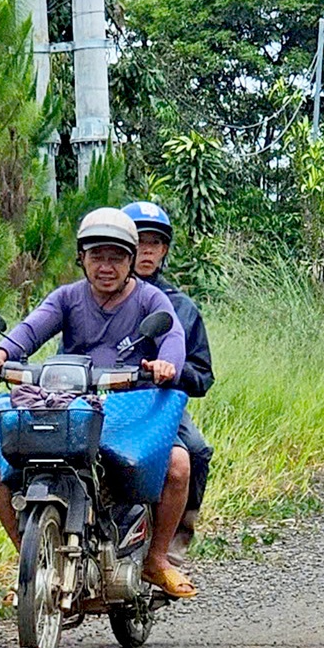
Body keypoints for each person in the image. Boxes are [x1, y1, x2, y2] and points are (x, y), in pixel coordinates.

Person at [0, 207, 196, 598]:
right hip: (72, 407)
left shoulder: (151, 300)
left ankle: (157, 559)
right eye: (97, 256)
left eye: (116, 257)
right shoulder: (67, 298)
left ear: (131, 260)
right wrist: (0, 353)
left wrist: (167, 364)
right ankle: (29, 564)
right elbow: (31, 328)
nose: (106, 267)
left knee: (179, 465)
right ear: (82, 258)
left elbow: (173, 338)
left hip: (133, 408)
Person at [123, 200, 212, 551]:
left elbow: (203, 375)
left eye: (155, 243)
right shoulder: (98, 296)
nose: (147, 250)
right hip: (104, 398)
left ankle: (173, 544)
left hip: (160, 404)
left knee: (195, 450)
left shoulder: (181, 307)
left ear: (164, 251)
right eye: (139, 241)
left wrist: (169, 373)